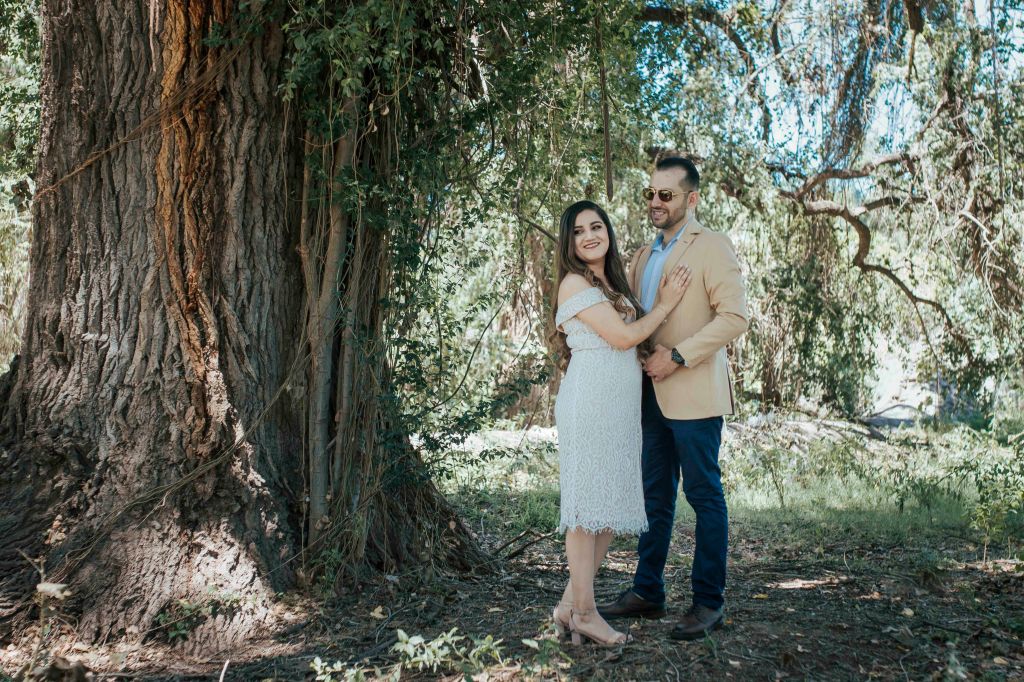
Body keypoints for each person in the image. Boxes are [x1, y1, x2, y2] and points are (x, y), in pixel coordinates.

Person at [598, 157, 749, 641]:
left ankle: (708, 602)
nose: (656, 202)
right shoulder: (643, 255)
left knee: (704, 496)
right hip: (648, 394)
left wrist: (678, 357)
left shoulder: (712, 246)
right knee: (654, 496)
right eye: (651, 194)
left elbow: (734, 318)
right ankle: (647, 591)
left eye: (667, 194)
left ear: (692, 198)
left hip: (694, 395)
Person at [550, 199, 691, 646]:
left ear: (607, 231)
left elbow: (633, 342)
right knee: (585, 511)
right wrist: (666, 304)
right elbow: (624, 336)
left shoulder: (612, 282)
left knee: (606, 510)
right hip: (589, 403)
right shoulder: (574, 283)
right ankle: (586, 614)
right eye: (578, 231)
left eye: (596, 226)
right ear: (569, 242)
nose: (589, 236)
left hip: (619, 407)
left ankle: (569, 608)